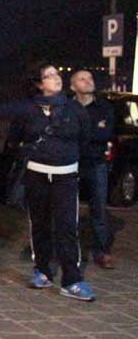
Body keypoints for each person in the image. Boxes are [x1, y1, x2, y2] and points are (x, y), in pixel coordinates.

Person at [7, 63, 93, 301]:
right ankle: (42, 271)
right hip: (36, 174)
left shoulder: (74, 108)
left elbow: (85, 139)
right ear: (39, 83)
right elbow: (14, 138)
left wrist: (68, 157)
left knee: (67, 227)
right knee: (40, 224)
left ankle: (72, 280)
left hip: (66, 175)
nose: (56, 78)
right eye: (49, 75)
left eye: (57, 74)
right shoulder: (28, 110)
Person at [70, 68, 115, 268]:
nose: (88, 81)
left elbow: (105, 134)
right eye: (82, 79)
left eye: (90, 78)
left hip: (96, 164)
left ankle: (101, 251)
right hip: (71, 164)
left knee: (99, 208)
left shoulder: (104, 108)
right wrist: (92, 131)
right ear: (73, 86)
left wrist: (80, 134)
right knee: (68, 208)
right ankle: (68, 251)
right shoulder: (68, 107)